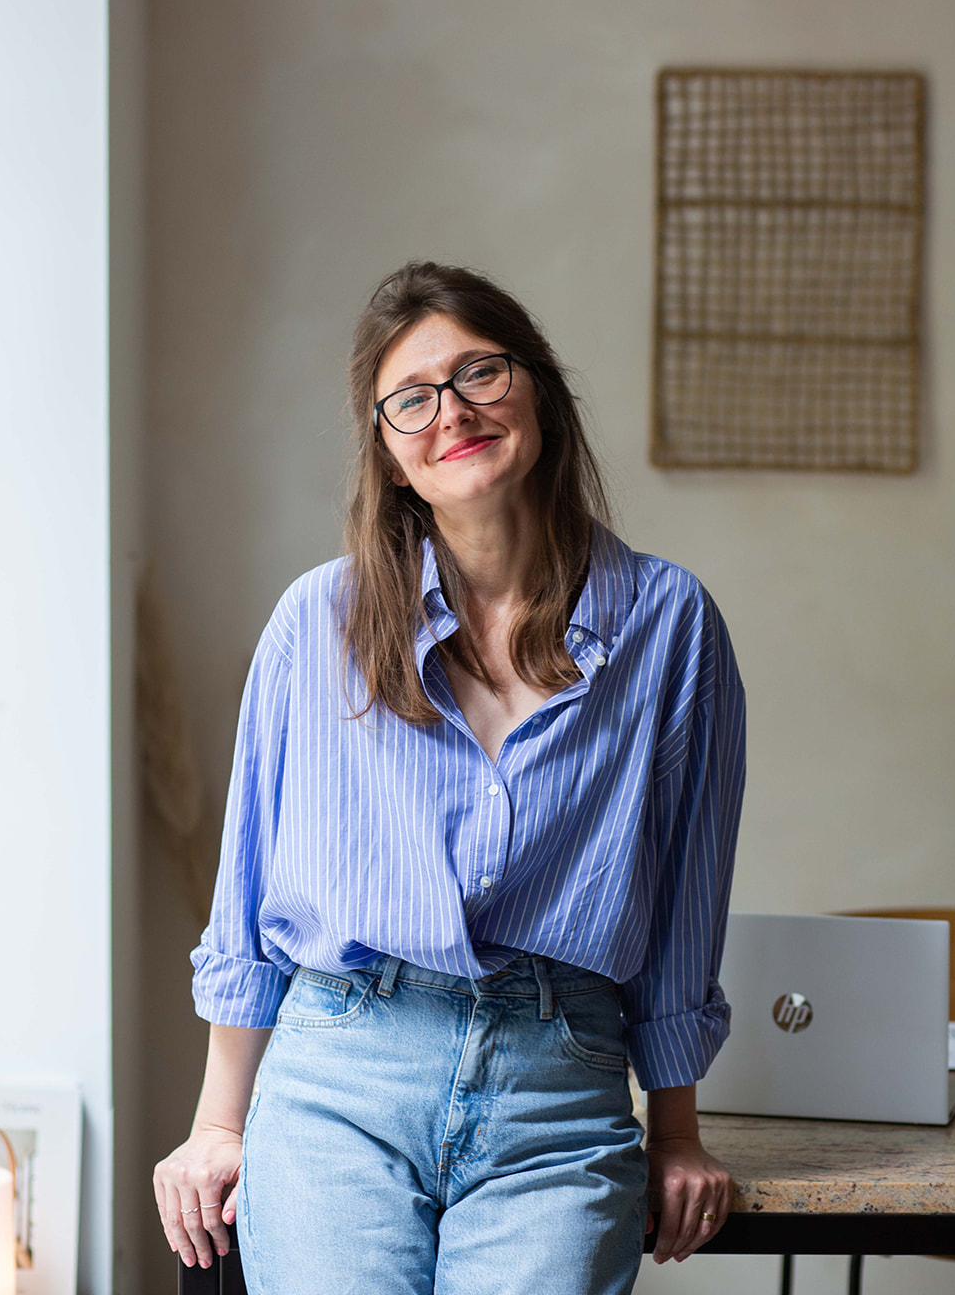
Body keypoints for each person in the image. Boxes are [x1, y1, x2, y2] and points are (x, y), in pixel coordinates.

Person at [153, 260, 746, 1295]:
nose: (452, 412)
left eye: (478, 372)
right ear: (386, 451)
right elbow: (246, 888)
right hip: (340, 1076)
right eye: (411, 398)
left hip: (557, 1092)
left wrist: (677, 1128)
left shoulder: (669, 624)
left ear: (538, 393)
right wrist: (216, 1122)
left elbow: (685, 898)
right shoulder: (315, 623)